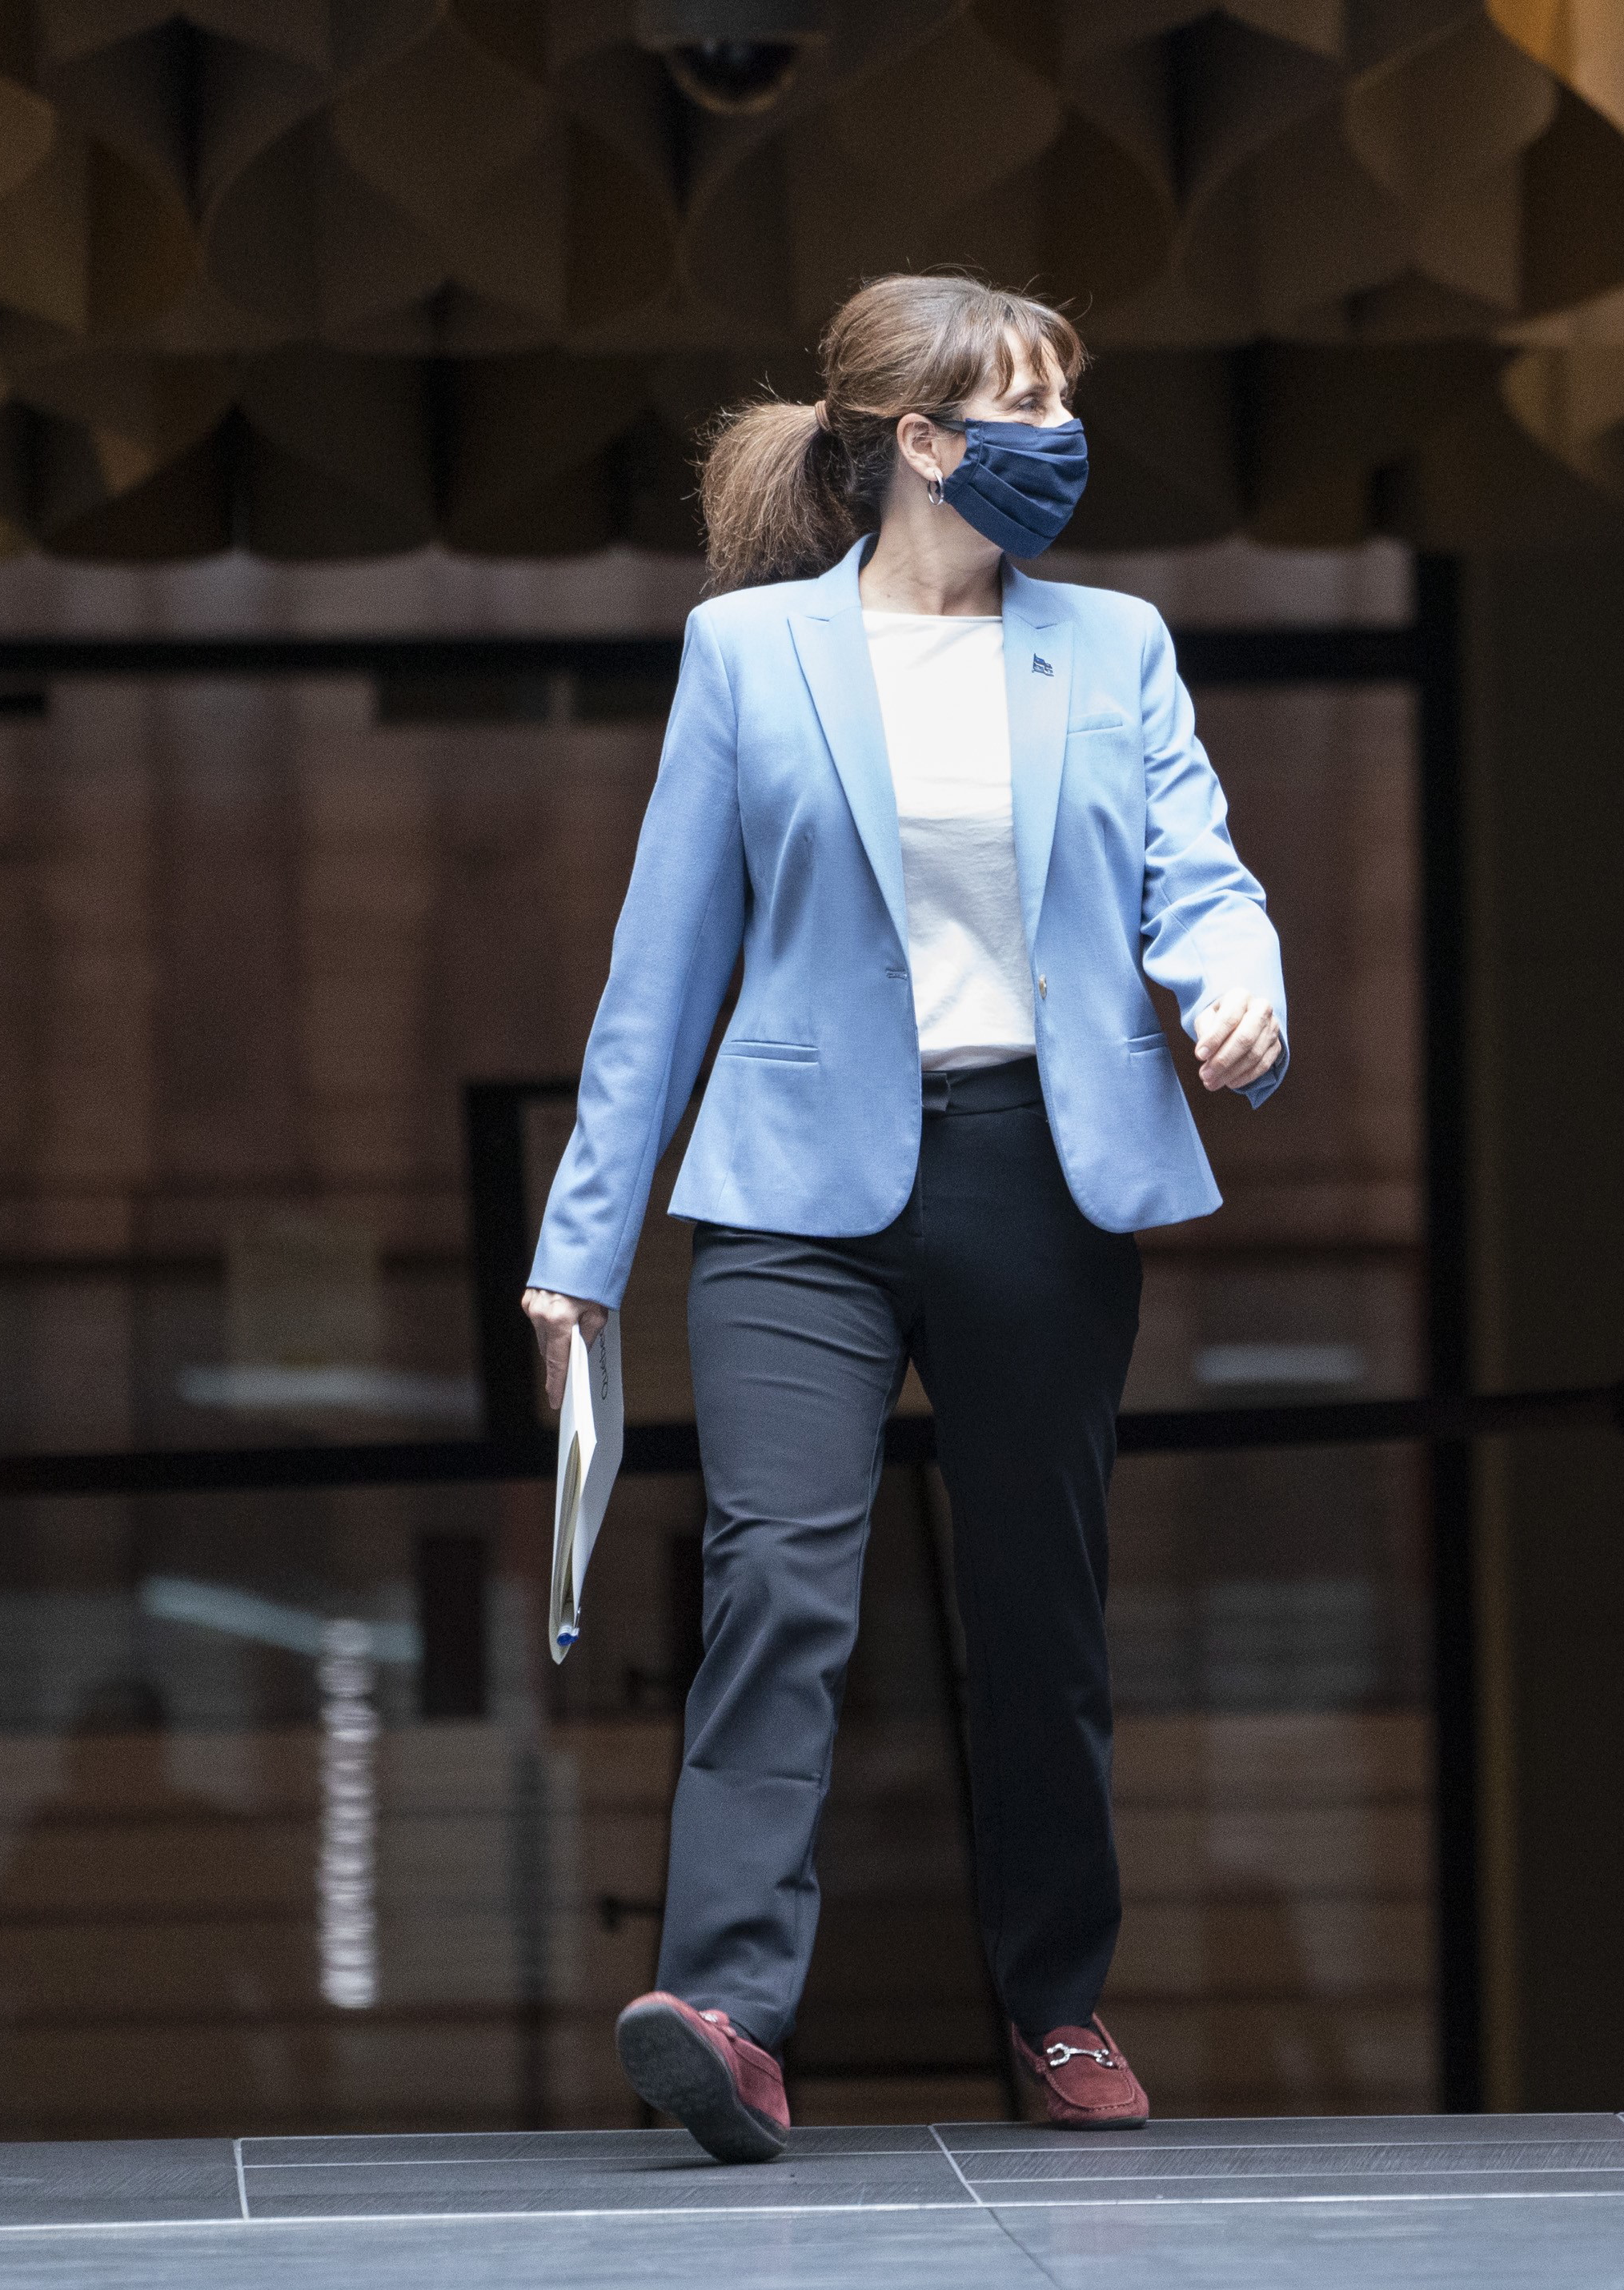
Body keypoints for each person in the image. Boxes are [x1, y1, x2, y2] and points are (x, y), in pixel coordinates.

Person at [519, 272, 1288, 2160]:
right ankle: (728, 2015)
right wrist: (580, 1249)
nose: (1064, 440)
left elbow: (1199, 872)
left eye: (1066, 404)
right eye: (1029, 409)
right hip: (798, 1194)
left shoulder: (1113, 646)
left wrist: (1241, 987)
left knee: (1041, 1612)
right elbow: (662, 965)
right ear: (924, 441)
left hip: (1043, 1171)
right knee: (774, 1585)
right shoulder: (751, 654)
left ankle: (1055, 2004)